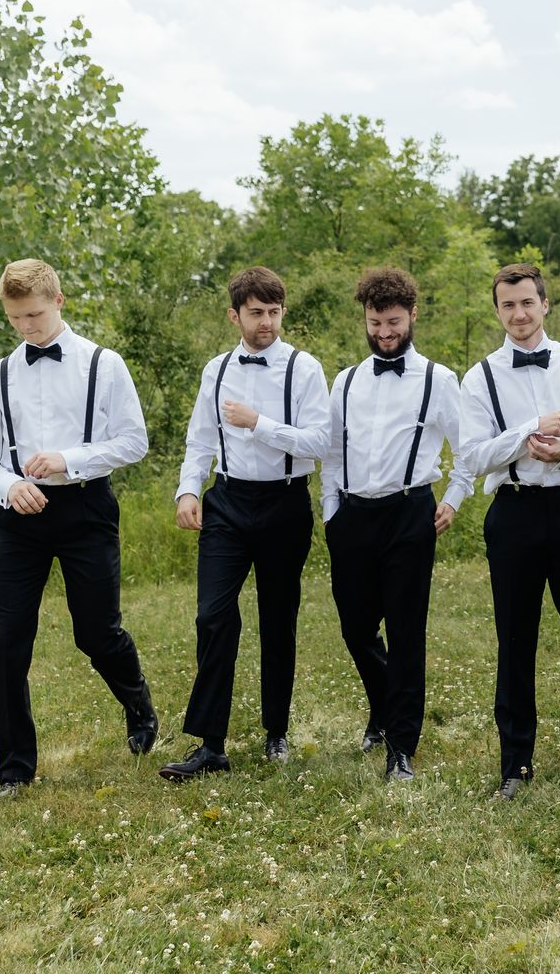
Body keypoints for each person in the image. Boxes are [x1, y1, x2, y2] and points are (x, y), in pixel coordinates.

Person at [0, 258, 157, 796]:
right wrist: (7, 485)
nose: (26, 327)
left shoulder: (105, 365)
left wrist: (69, 460)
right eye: (16, 318)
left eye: (35, 315)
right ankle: (15, 770)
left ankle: (137, 700)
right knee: (7, 642)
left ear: (59, 301)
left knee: (96, 632)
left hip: (85, 511)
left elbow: (133, 442)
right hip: (17, 519)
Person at [159, 267, 331, 781]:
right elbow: (199, 439)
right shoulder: (215, 370)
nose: (268, 323)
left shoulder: (304, 368)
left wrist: (259, 423)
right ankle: (211, 747)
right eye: (257, 313)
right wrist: (189, 489)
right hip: (228, 503)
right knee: (213, 616)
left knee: (279, 619)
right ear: (235, 315)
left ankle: (276, 731)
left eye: (275, 313)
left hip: (285, 503)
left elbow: (320, 444)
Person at [457, 263, 560, 800]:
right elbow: (475, 457)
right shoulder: (479, 377)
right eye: (508, 305)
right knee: (516, 639)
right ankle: (515, 764)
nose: (519, 314)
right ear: (497, 311)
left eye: (527, 303)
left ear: (545, 304)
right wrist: (529, 431)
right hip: (514, 510)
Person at [319, 266, 470, 782]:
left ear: (412, 317)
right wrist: (330, 513)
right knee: (356, 626)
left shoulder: (439, 379)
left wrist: (453, 496)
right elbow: (333, 452)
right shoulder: (346, 380)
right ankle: (384, 706)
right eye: (375, 323)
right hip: (352, 515)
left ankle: (400, 746)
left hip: (410, 513)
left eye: (394, 323)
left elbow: (466, 450)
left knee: (406, 633)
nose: (384, 333)